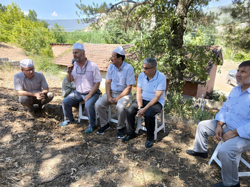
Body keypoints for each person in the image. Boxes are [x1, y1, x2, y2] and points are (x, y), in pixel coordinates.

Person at [186, 61, 250, 187]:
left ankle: (232, 184)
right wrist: (219, 125)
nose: (238, 74)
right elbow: (225, 108)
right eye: (238, 70)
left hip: (244, 135)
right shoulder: (235, 90)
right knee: (203, 125)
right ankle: (201, 151)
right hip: (228, 126)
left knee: (225, 151)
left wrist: (234, 133)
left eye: (243, 72)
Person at [122, 58, 167, 148]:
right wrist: (140, 107)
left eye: (146, 68)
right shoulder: (141, 76)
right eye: (143, 67)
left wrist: (144, 109)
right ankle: (130, 133)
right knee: (129, 110)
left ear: (154, 68)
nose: (143, 70)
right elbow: (138, 92)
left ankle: (150, 138)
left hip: (156, 102)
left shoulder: (161, 77)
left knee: (149, 114)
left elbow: (157, 97)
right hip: (143, 100)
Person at [60, 43, 102, 134]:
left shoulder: (93, 66)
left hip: (92, 92)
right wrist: (69, 72)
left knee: (88, 105)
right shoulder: (74, 66)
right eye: (73, 53)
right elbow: (70, 80)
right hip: (78, 92)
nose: (74, 55)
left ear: (83, 53)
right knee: (65, 101)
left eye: (77, 53)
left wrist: (89, 95)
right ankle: (69, 120)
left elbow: (97, 83)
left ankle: (92, 125)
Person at [95, 46, 135, 139]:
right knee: (98, 104)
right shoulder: (111, 67)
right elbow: (108, 82)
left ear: (120, 58)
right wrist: (109, 97)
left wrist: (117, 98)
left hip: (124, 94)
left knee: (120, 106)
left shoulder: (129, 68)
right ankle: (105, 125)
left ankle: (121, 128)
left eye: (113, 56)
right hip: (112, 92)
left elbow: (129, 87)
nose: (111, 58)